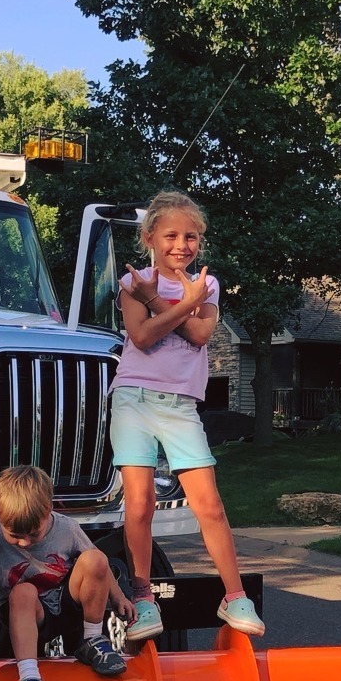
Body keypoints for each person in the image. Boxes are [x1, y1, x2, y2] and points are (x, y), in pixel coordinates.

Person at [112, 190, 263, 643]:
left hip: (181, 406)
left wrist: (165, 301)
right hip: (134, 399)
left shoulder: (207, 286)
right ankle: (142, 597)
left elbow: (199, 333)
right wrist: (170, 302)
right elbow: (140, 338)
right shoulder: (132, 282)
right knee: (140, 503)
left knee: (210, 504)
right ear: (150, 238)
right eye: (172, 235)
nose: (182, 244)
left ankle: (233, 595)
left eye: (192, 236)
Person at [0, 465, 136, 681]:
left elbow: (97, 563)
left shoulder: (66, 528)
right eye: (15, 535)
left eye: (34, 534)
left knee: (96, 559)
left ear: (49, 510)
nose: (24, 542)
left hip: (66, 603)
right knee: (23, 591)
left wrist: (118, 596)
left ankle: (91, 640)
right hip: (26, 614)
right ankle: (29, 678)